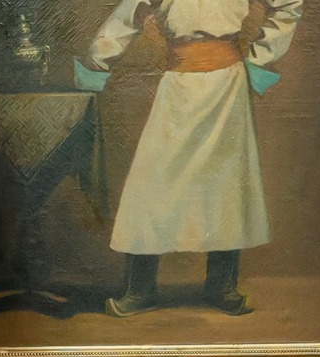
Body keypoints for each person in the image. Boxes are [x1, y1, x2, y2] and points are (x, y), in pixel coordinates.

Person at [76, 0, 303, 317]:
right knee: (151, 188)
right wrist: (97, 60)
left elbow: (288, 4)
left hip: (228, 88)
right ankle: (141, 291)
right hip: (178, 86)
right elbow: (130, 13)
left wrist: (261, 57)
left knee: (226, 188)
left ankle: (221, 287)